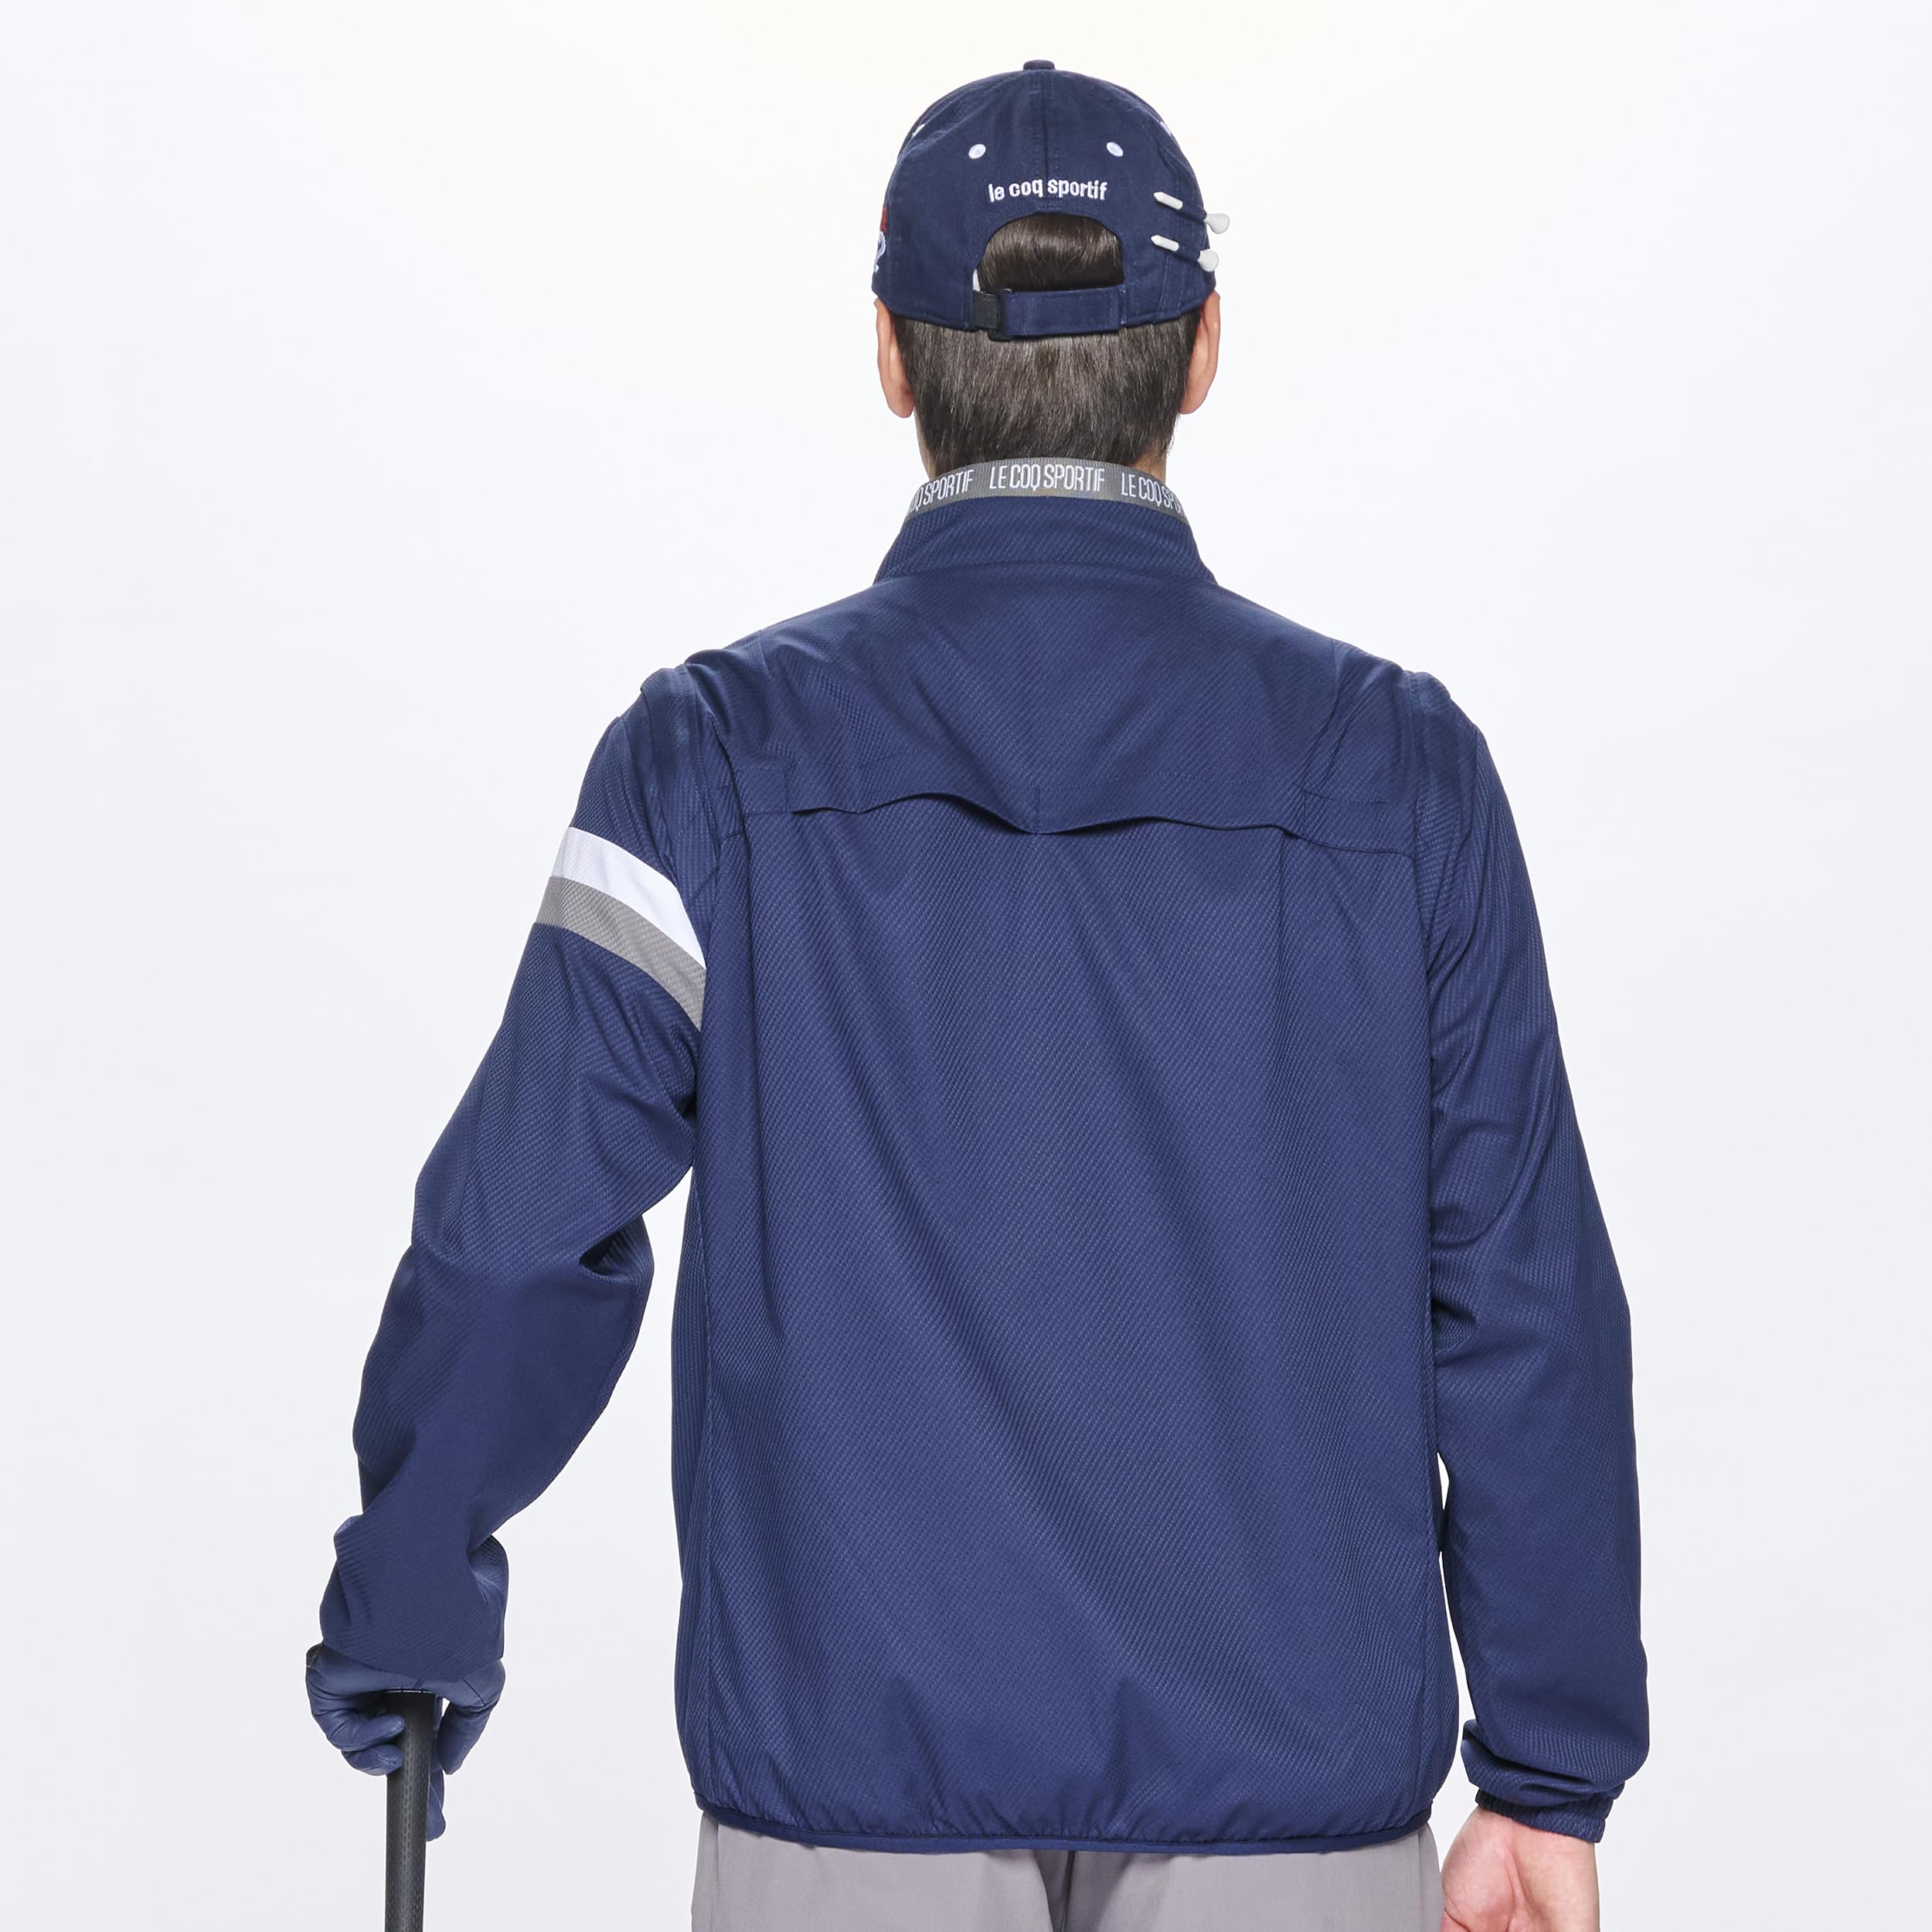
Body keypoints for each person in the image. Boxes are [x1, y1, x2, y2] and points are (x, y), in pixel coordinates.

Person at [308, 61, 1646, 1932]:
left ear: (888, 353)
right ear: (1197, 352)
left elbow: (517, 1234)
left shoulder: (709, 760)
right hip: (1292, 1810)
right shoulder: (1397, 774)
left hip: (845, 1810)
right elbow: (1519, 1296)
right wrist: (1543, 1773)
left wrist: (411, 1602)